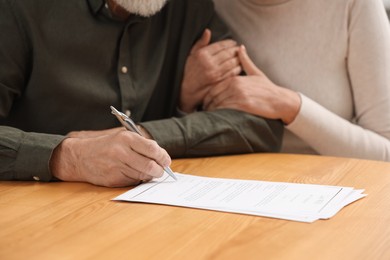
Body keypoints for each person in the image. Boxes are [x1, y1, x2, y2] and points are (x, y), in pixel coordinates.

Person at [0, 0, 283, 187]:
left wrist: (147, 136)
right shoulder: (19, 9)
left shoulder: (189, 7)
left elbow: (260, 120)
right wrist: (68, 156)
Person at [202, 0, 390, 161]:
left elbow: (386, 152)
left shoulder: (353, 4)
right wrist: (185, 98)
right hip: (231, 186)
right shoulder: (205, 6)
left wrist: (291, 106)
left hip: (334, 189)